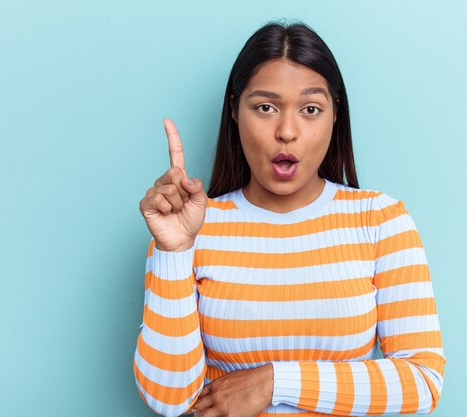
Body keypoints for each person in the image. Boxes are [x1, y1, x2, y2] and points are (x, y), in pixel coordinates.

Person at [133, 21, 446, 417]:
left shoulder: (381, 220)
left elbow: (421, 380)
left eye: (310, 109)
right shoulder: (191, 228)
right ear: (233, 110)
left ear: (335, 115)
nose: (287, 131)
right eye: (265, 107)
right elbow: (168, 398)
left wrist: (274, 382)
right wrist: (173, 251)